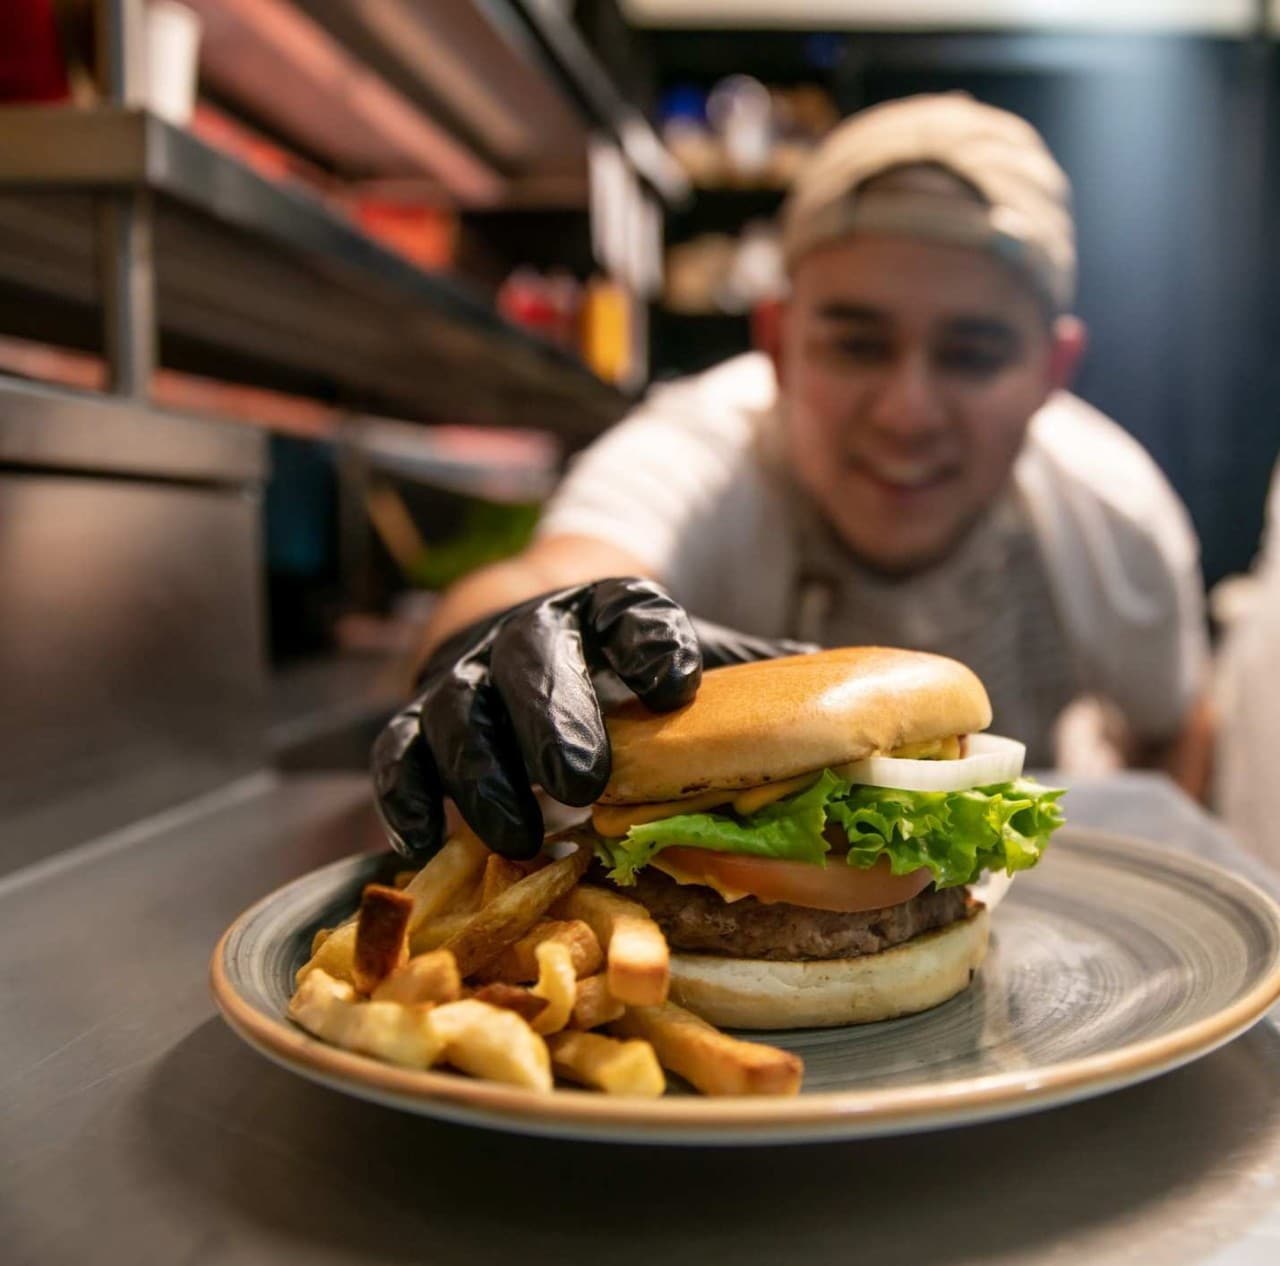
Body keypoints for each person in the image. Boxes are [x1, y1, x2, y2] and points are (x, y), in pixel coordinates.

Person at [375, 93, 1210, 862]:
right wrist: (486, 648)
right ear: (775, 343)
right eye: (856, 344)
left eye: (974, 354)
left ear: (1052, 373)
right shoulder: (704, 446)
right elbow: (553, 573)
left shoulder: (1113, 512)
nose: (907, 412)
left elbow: (1176, 725)